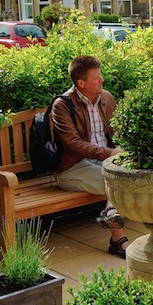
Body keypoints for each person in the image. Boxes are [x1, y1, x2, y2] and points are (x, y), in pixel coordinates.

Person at [51, 55, 128, 258]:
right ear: (81, 83)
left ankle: (111, 213)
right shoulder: (62, 105)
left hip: (104, 163)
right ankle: (117, 239)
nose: (102, 80)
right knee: (117, 180)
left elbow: (118, 131)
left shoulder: (107, 98)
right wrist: (110, 153)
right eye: (96, 78)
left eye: (100, 76)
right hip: (73, 167)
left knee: (133, 174)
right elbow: (74, 145)